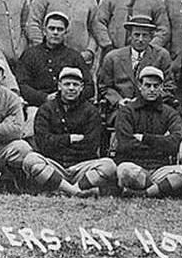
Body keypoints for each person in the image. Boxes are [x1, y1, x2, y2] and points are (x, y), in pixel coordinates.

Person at [21, 67, 115, 197]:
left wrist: (57, 141)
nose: (71, 88)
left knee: (109, 166)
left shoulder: (91, 111)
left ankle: (66, 188)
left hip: (82, 168)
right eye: (67, 84)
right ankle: (75, 192)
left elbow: (90, 145)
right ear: (59, 86)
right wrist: (69, 139)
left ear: (81, 87)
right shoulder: (46, 109)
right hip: (54, 165)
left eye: (75, 85)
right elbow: (43, 143)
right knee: (30, 160)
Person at [113, 66, 182, 196]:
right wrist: (162, 142)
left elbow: (175, 143)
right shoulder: (127, 111)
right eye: (148, 85)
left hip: (160, 169)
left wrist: (145, 138)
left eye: (156, 86)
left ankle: (144, 192)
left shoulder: (170, 113)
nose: (152, 90)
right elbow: (126, 144)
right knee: (125, 171)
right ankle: (159, 189)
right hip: (135, 166)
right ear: (140, 86)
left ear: (161, 87)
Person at [97, 14, 173, 111]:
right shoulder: (113, 58)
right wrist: (118, 101)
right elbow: (104, 87)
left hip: (152, 108)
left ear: (151, 37)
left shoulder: (161, 56)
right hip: (121, 109)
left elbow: (169, 86)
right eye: (137, 35)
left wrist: (148, 100)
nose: (140, 39)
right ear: (130, 36)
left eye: (145, 35)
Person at [17, 11, 92, 108]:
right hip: (38, 106)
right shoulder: (30, 55)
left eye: (60, 29)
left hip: (71, 106)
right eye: (52, 29)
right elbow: (22, 85)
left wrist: (67, 97)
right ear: (44, 31)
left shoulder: (74, 56)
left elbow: (89, 87)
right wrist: (44, 97)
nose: (55, 32)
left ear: (65, 32)